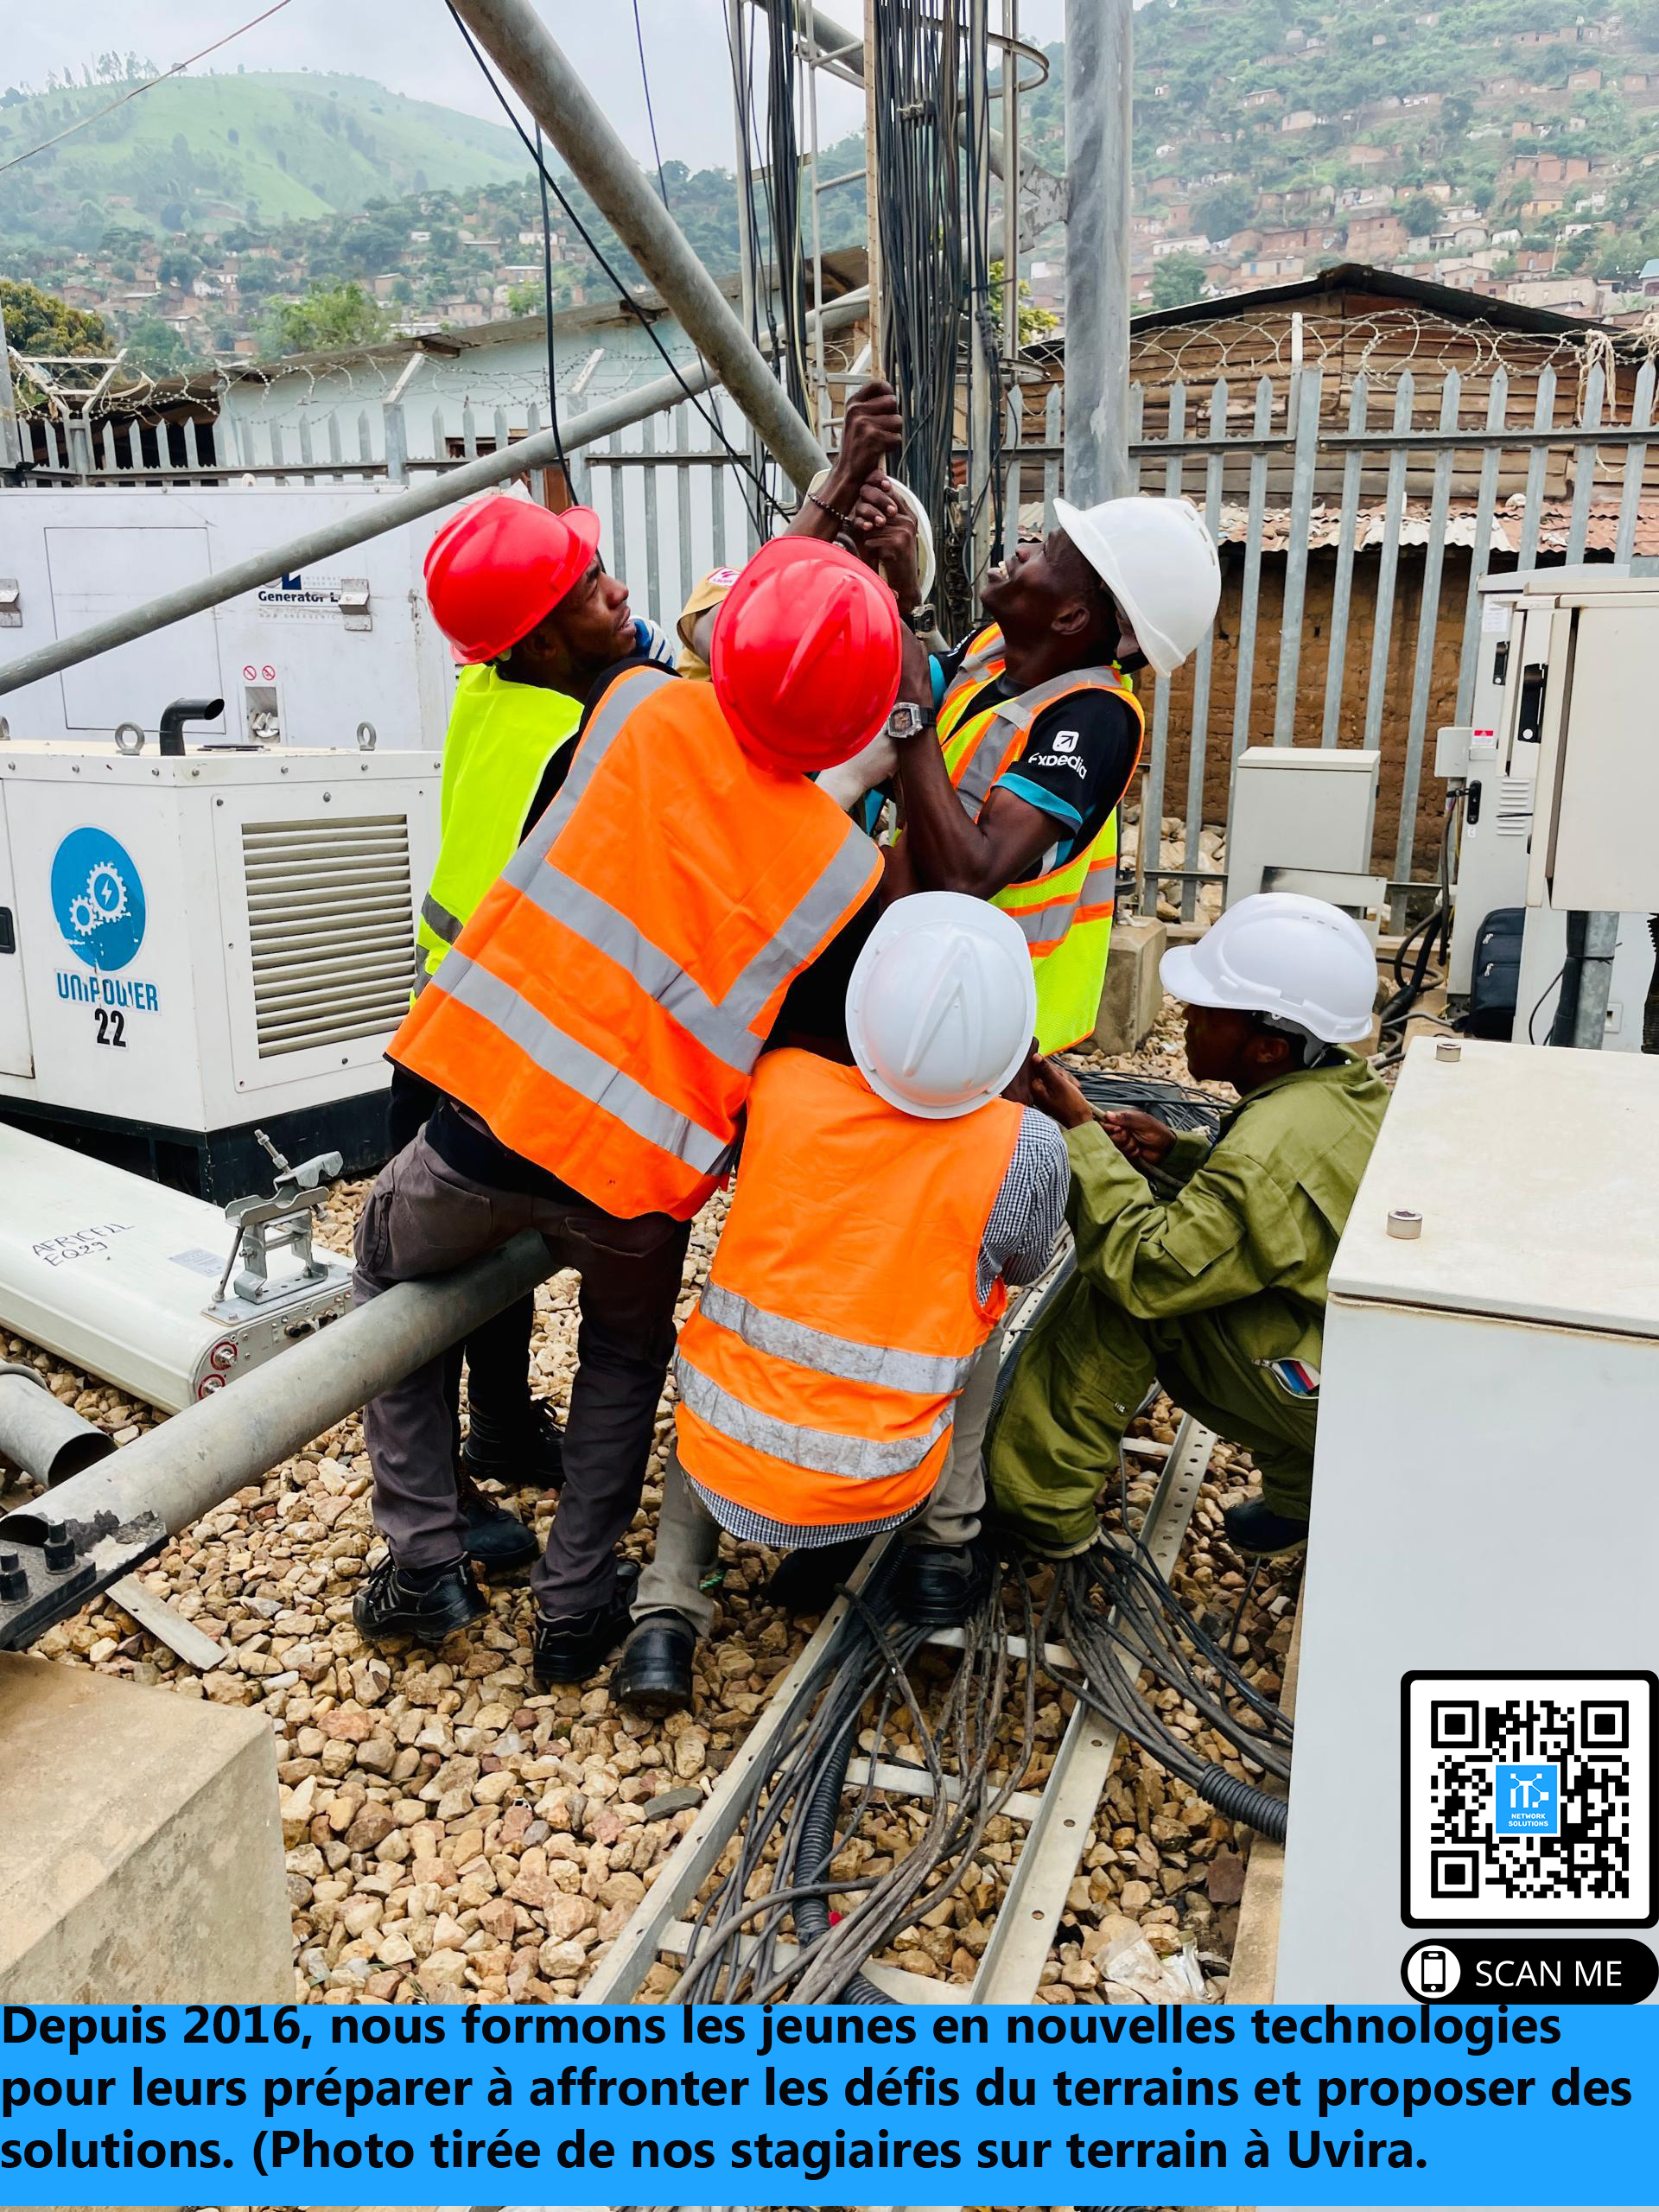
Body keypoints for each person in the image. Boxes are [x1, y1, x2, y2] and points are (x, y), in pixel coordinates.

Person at [350, 535, 907, 1684]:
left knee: (383, 1267)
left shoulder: (636, 714)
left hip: (485, 1127)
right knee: (621, 1360)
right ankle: (573, 1609)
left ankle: (424, 1560)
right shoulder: (845, 873)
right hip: (638, 1187)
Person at [614, 893, 1070, 1713]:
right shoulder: (1026, 1145)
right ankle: (943, 1548)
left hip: (726, 1445)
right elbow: (1028, 1262)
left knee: (727, 1351)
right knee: (981, 1309)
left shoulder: (781, 1084)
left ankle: (665, 1616)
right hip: (880, 1475)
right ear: (1015, 1038)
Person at [393, 495, 676, 1572]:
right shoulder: (587, 723)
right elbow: (689, 680)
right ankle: (444, 1507)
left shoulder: (488, 681)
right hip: (499, 1049)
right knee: (432, 1286)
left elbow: (617, 640)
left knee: (485, 1258)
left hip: (444, 1029)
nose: (620, 590)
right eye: (589, 584)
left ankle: (502, 1424)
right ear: (547, 641)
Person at [983, 893, 1389, 1565]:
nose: (1187, 1017)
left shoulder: (1264, 1153)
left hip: (1334, 1394)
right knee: (1215, 1274)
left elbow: (1150, 1271)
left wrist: (1079, 1133)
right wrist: (1179, 1157)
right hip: (1358, 1369)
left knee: (1118, 1287)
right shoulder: (1343, 1090)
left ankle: (1037, 1507)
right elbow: (1272, 1207)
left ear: (1267, 1045)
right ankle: (1304, 1497)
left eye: (1206, 1010)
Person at [863, 488, 1222, 1055]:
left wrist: (912, 709)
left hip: (976, 1023)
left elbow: (967, 876)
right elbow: (914, 756)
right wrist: (906, 595)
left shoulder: (1095, 717)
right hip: (910, 983)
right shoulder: (993, 652)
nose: (1025, 548)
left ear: (1072, 615)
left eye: (1049, 551)